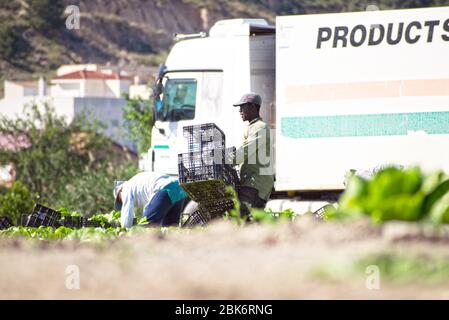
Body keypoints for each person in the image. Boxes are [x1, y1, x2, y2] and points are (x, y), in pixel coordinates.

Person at [231, 93, 274, 217]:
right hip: (253, 181)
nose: (240, 111)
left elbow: (245, 151)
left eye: (243, 107)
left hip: (256, 182)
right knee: (253, 222)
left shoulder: (259, 128)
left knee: (241, 216)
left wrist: (223, 159)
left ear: (253, 107)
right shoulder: (252, 127)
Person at [114, 171, 188, 228]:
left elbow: (127, 215)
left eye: (119, 199)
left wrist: (125, 231)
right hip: (179, 188)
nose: (122, 202)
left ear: (120, 191)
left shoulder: (126, 189)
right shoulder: (134, 182)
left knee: (146, 227)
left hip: (165, 188)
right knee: (170, 229)